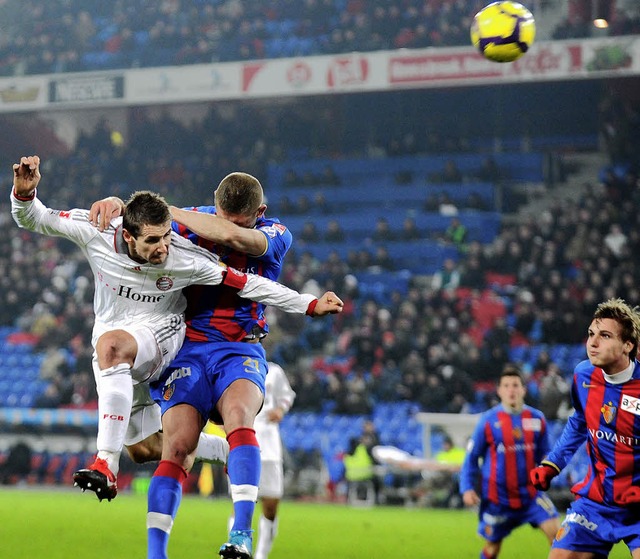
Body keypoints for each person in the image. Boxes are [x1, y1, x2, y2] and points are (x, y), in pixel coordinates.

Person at [11, 156, 341, 506]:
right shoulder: (97, 229)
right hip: (117, 342)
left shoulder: (188, 255)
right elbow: (36, 218)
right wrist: (24, 193)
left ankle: (104, 463)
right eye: (153, 240)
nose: (164, 247)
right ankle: (230, 452)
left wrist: (307, 303)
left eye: (167, 236)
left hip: (163, 333)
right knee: (144, 448)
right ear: (126, 234)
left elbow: (249, 284)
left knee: (112, 348)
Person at [530, 298, 640, 559]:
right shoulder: (583, 375)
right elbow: (580, 421)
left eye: (604, 335)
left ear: (628, 345)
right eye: (591, 334)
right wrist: (552, 464)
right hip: (596, 501)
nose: (592, 342)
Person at [460, 364, 560, 559]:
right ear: (499, 391)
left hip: (531, 496)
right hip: (499, 500)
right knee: (492, 548)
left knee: (560, 538)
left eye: (515, 385)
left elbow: (546, 453)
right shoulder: (488, 421)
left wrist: (547, 467)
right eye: (506, 386)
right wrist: (467, 488)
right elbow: (471, 458)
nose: (511, 390)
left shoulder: (537, 419)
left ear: (523, 389)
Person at [227, 361, 296, 559]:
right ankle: (238, 552)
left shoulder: (274, 370)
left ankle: (261, 555)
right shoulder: (233, 365)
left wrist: (281, 410)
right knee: (240, 502)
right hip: (241, 441)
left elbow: (287, 395)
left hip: (270, 446)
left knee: (272, 504)